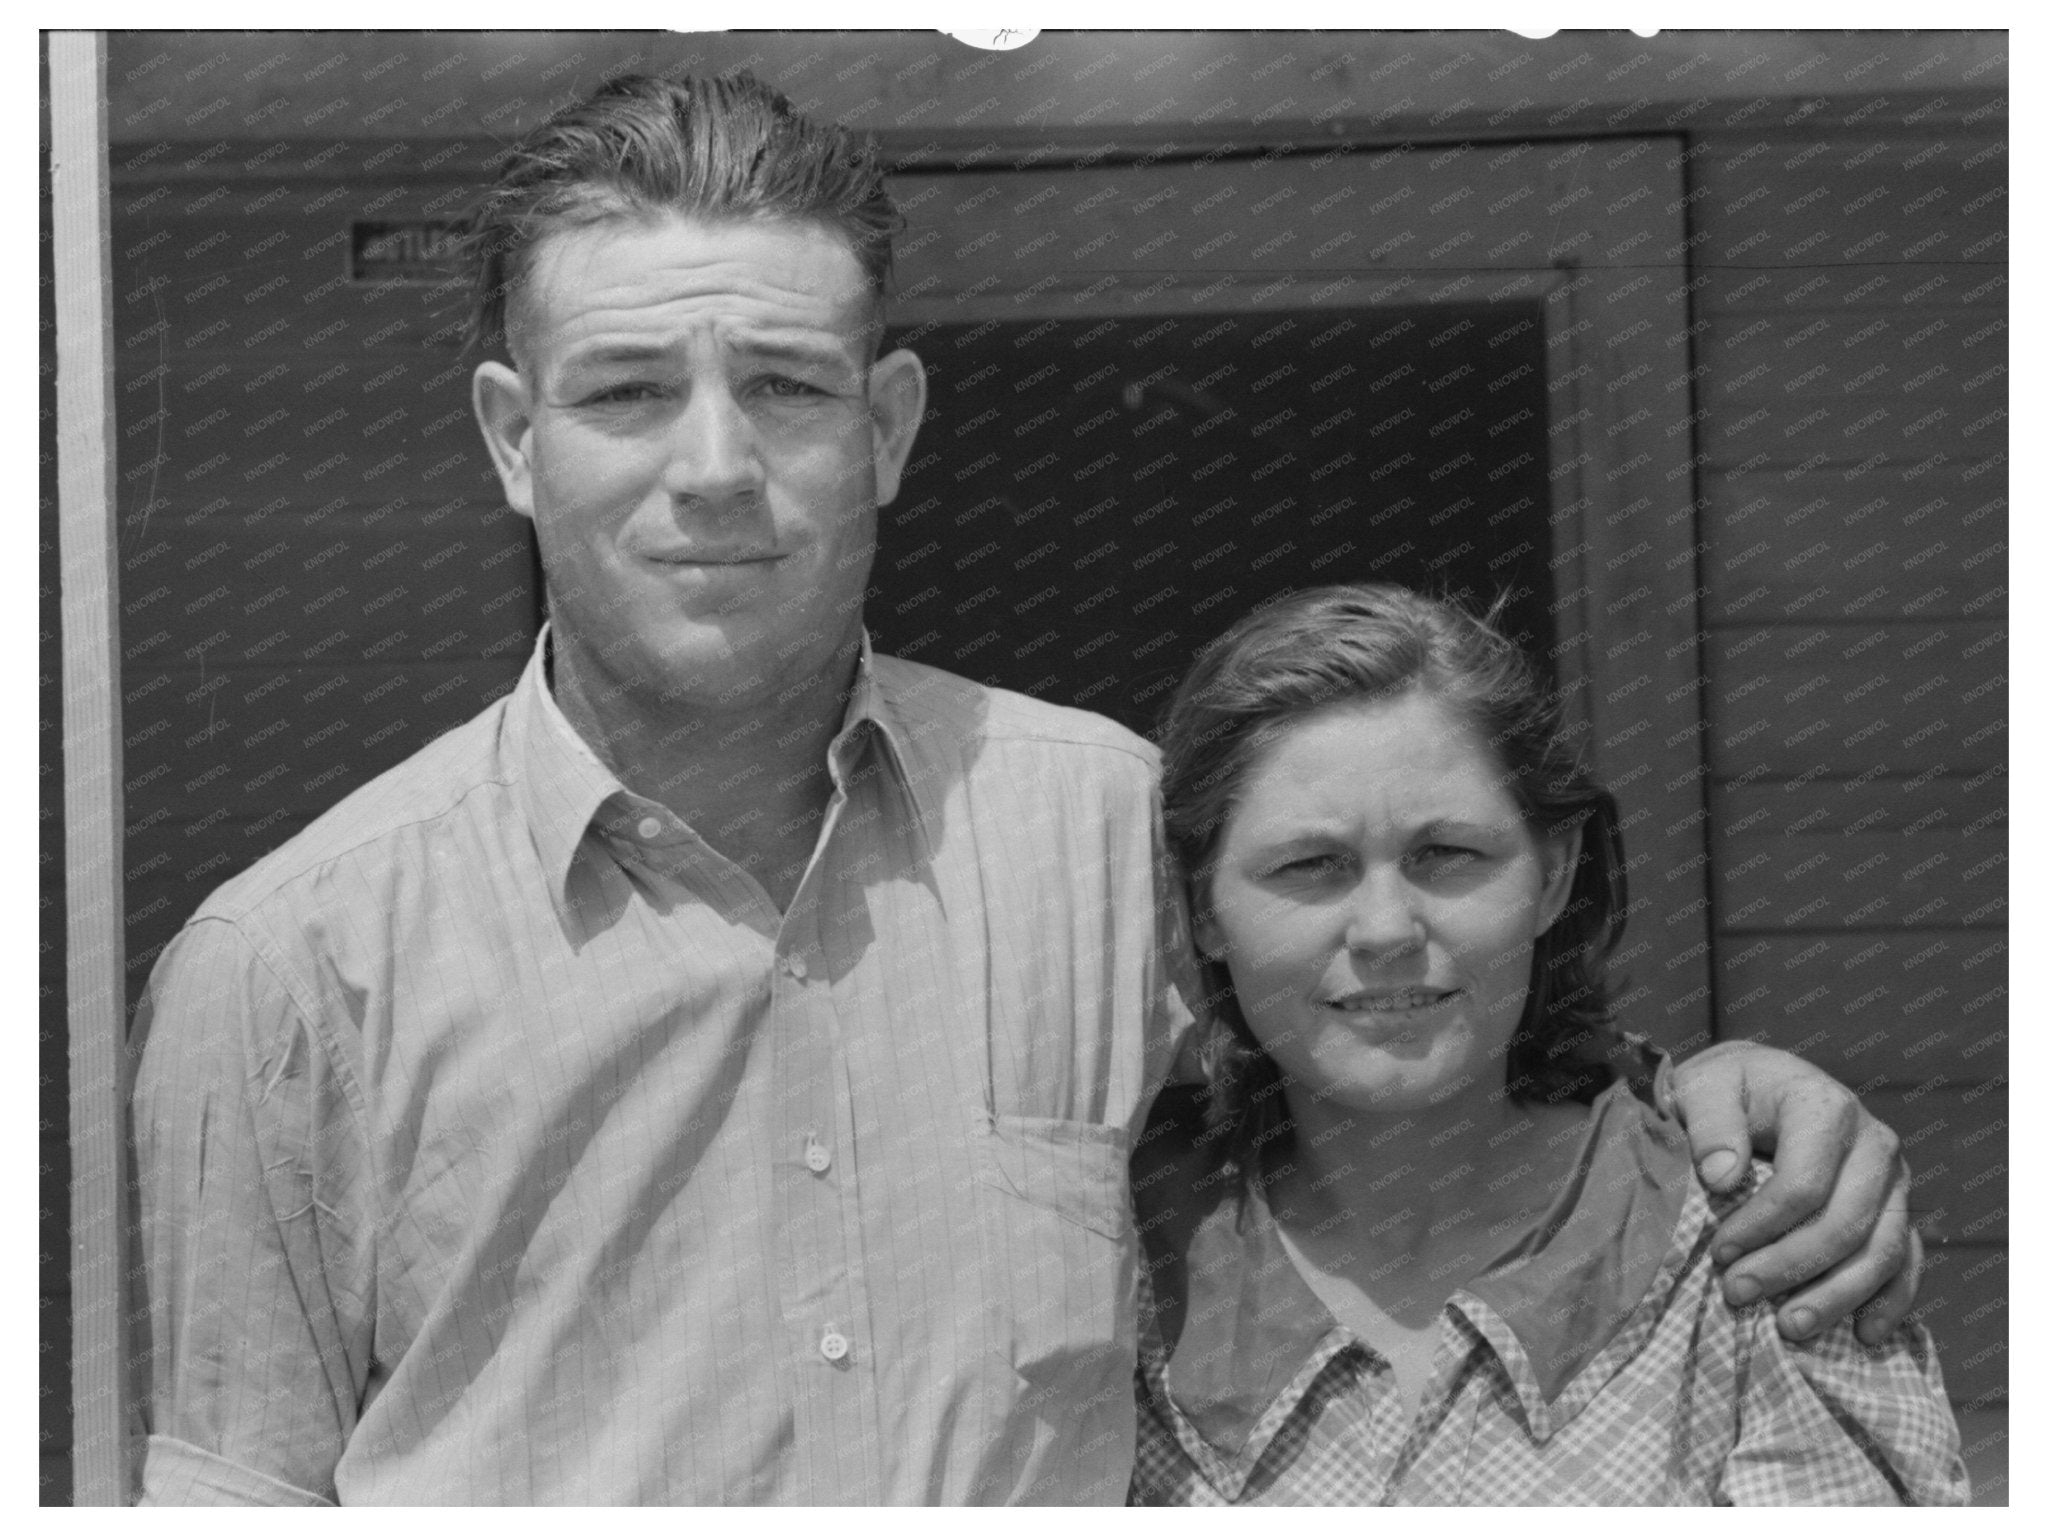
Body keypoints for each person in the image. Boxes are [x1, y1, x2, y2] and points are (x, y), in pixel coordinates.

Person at [132, 73, 1919, 1506]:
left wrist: (1709, 1095)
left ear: (890, 424)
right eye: (623, 392)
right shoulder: (288, 970)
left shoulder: (1104, 828)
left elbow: (1392, 1043)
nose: (713, 466)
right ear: (514, 440)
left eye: (782, 384)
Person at [1129, 584, 1968, 1505]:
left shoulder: (1759, 1260)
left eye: (1447, 853)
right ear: (1202, 907)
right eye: (1309, 865)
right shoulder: (1114, 1277)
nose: (1385, 929)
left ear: (1553, 872)